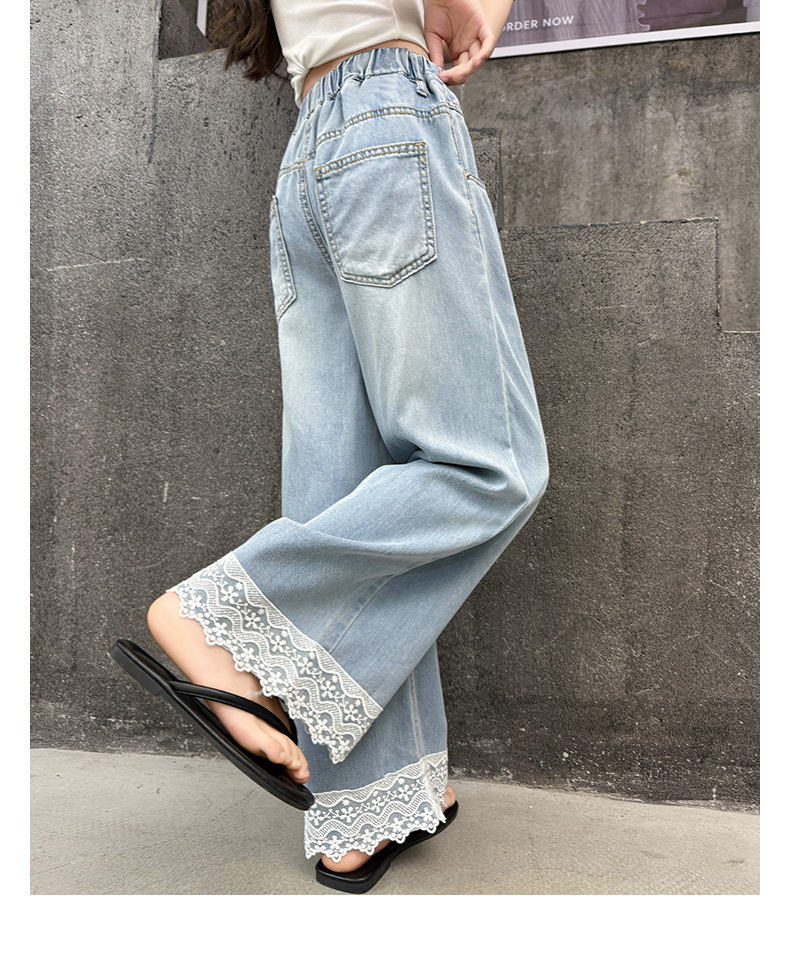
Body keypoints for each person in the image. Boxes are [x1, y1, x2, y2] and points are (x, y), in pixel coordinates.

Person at [111, 0, 549, 894]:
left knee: (345, 493)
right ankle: (223, 618)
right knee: (488, 464)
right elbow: (459, 16)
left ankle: (370, 805)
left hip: (312, 149)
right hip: (389, 121)